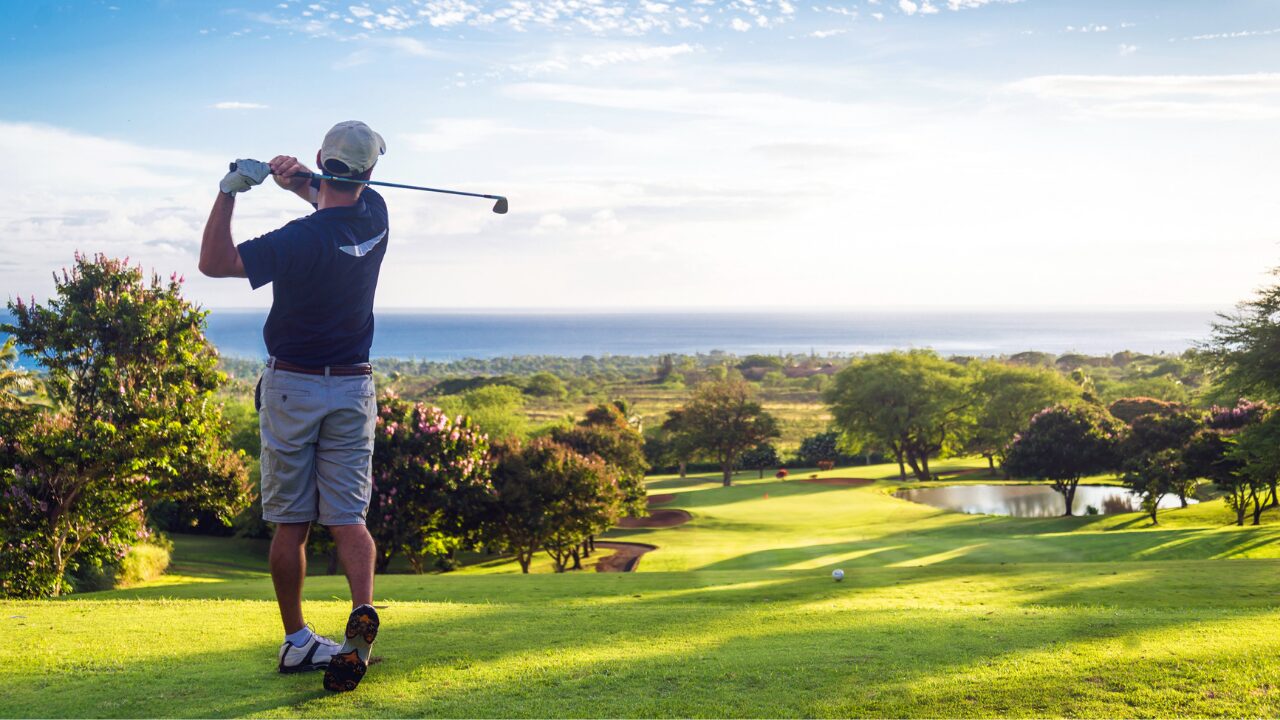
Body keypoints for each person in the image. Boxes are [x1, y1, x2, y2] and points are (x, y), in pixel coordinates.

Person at [198, 121, 388, 693]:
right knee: (348, 519)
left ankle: (298, 642)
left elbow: (215, 262)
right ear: (371, 172)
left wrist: (230, 189)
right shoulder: (376, 214)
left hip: (293, 387)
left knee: (292, 522)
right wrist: (297, 181)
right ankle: (360, 625)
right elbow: (330, 195)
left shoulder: (296, 241)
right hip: (353, 387)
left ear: (321, 159)